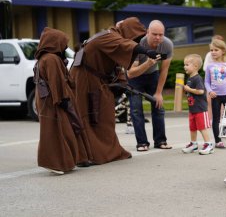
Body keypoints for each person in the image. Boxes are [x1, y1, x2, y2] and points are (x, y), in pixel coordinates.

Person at [70, 17, 158, 164]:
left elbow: (116, 65)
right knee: (88, 115)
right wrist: (148, 52)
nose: (136, 41)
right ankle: (85, 155)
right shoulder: (108, 36)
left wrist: (123, 85)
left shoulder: (113, 38)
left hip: (97, 79)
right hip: (84, 78)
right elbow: (126, 46)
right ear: (129, 32)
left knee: (106, 115)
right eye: (136, 37)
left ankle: (110, 151)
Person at [34, 27, 90, 174]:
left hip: (49, 100)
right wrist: (63, 100)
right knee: (58, 131)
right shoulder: (51, 59)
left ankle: (68, 160)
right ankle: (56, 163)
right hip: (54, 101)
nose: (65, 47)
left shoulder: (47, 58)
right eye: (63, 43)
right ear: (55, 43)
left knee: (63, 130)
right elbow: (56, 81)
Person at [127, 20, 173, 151]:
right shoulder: (137, 44)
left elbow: (164, 70)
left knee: (158, 107)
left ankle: (160, 141)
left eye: (161, 34)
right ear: (147, 32)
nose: (158, 38)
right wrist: (147, 63)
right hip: (135, 78)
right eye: (154, 34)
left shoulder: (167, 45)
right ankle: (142, 143)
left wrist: (158, 93)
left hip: (153, 76)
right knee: (136, 111)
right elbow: (131, 73)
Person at [204, 38, 226, 148]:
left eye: (215, 50)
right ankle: (218, 141)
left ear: (223, 51)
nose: (213, 52)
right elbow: (206, 81)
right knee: (216, 119)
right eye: (211, 50)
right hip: (215, 96)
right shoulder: (209, 66)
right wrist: (210, 91)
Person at [182, 54, 214, 155]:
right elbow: (190, 92)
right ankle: (193, 144)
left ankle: (208, 144)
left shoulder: (197, 78)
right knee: (192, 128)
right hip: (192, 109)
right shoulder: (189, 78)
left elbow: (200, 91)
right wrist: (185, 91)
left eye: (187, 64)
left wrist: (189, 89)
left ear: (195, 66)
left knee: (202, 127)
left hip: (200, 108)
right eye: (184, 65)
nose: (185, 67)